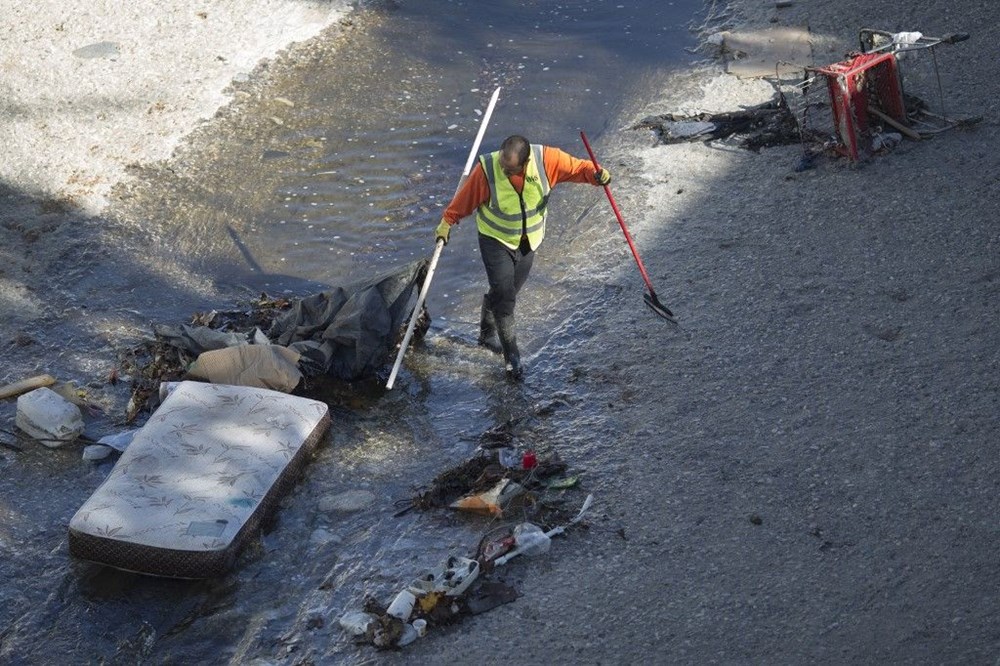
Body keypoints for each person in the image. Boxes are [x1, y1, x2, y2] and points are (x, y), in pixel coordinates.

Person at [434, 134, 611, 379]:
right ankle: (512, 359)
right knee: (505, 298)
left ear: (525, 163)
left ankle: (486, 332)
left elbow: (579, 169)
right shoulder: (487, 170)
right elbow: (464, 200)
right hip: (495, 240)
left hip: (529, 241)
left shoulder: (548, 160)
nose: (504, 171)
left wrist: (597, 175)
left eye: (510, 170)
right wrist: (446, 222)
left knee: (507, 291)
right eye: (503, 165)